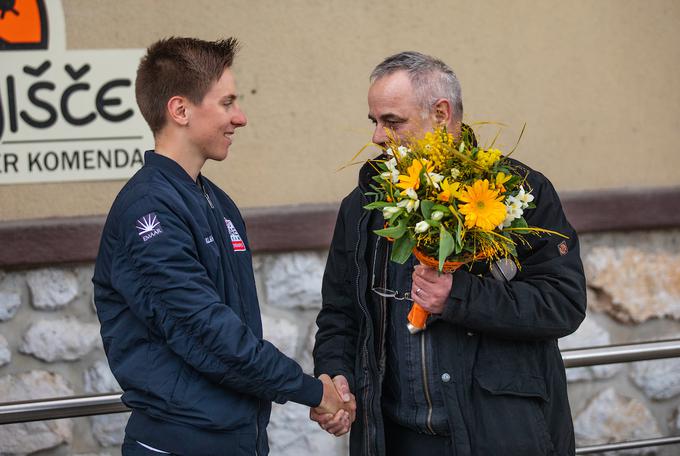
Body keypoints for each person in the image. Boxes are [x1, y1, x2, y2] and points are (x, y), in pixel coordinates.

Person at [311, 51, 587, 456]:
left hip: (500, 439)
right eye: (375, 122)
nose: (377, 137)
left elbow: (563, 303)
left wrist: (458, 297)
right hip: (396, 439)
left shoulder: (518, 192)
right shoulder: (362, 205)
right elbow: (340, 313)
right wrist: (336, 375)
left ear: (441, 114)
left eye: (392, 121)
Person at [92, 37, 353, 456]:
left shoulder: (216, 201)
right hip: (179, 443)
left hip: (238, 439)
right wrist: (311, 391)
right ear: (180, 110)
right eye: (227, 102)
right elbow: (209, 334)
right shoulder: (148, 209)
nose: (241, 117)